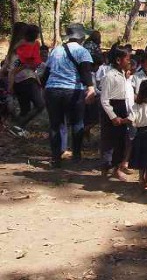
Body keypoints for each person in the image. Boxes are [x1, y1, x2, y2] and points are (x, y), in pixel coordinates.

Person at [43, 23, 96, 168]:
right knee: (77, 123)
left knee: (55, 124)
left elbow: (46, 72)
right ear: (81, 36)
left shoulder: (55, 50)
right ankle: (77, 156)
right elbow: (85, 71)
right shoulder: (82, 51)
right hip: (73, 90)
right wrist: (90, 88)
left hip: (52, 90)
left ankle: (55, 158)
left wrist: (43, 89)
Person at [99, 45, 133, 180]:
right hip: (112, 109)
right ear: (119, 60)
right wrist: (113, 116)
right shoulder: (109, 76)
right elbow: (104, 100)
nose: (129, 62)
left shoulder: (123, 75)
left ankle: (116, 167)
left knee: (120, 141)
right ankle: (105, 167)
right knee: (109, 140)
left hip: (121, 107)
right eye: (127, 59)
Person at [8, 24, 45, 129]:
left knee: (25, 110)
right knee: (40, 105)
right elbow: (15, 68)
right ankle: (19, 125)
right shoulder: (23, 46)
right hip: (26, 80)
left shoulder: (19, 47)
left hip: (22, 81)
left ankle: (17, 128)